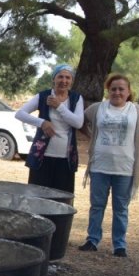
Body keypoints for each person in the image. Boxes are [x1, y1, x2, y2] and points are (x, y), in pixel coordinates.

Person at [78, 73, 139, 258]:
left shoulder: (136, 110)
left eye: (121, 89)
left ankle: (119, 245)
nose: (117, 92)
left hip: (125, 167)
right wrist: (91, 136)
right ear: (108, 91)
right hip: (99, 165)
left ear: (128, 92)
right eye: (113, 89)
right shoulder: (97, 109)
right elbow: (80, 122)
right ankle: (92, 240)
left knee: (121, 208)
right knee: (97, 205)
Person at [14, 63, 85, 193]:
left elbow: (78, 123)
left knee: (62, 199)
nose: (64, 81)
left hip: (66, 159)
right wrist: (42, 123)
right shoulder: (43, 96)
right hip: (42, 157)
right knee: (37, 196)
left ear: (72, 81)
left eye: (68, 78)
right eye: (60, 77)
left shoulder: (76, 98)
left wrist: (59, 106)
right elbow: (20, 114)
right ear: (54, 79)